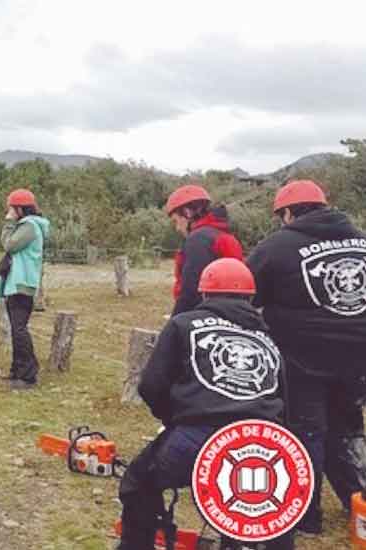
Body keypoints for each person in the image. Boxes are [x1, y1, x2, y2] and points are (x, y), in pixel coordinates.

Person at [117, 258, 291, 550]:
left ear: (204, 294)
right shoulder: (269, 339)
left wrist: (174, 419)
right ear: (250, 298)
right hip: (262, 443)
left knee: (138, 483)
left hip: (197, 436)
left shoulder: (183, 324)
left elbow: (151, 385)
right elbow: (283, 400)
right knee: (256, 510)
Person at [246, 179, 366, 533]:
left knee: (306, 432)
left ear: (288, 212)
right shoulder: (362, 241)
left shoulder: (277, 246)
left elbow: (249, 292)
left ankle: (305, 515)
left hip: (302, 359)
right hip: (358, 359)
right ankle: (357, 502)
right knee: (346, 430)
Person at [165, 184, 243, 316]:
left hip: (205, 316)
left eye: (176, 221)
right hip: (228, 314)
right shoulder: (224, 235)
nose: (177, 228)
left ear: (187, 212)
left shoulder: (199, 240)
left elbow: (191, 292)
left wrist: (175, 325)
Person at [0, 189, 49, 390]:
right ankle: (17, 370)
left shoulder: (29, 226)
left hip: (22, 283)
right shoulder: (28, 225)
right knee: (16, 329)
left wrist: (9, 222)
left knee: (19, 330)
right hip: (17, 282)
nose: (9, 211)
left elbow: (9, 245)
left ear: (19, 208)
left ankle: (29, 375)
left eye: (11, 208)